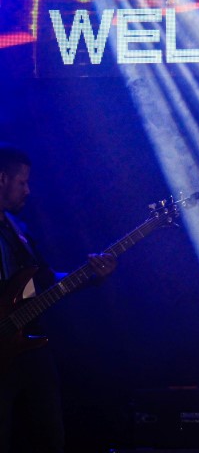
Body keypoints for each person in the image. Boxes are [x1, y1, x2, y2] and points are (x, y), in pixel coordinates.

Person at [0, 143, 117, 453]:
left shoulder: (18, 230)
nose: (28, 190)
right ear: (2, 179)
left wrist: (93, 276)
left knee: (49, 437)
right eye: (22, 182)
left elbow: (46, 283)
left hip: (28, 347)